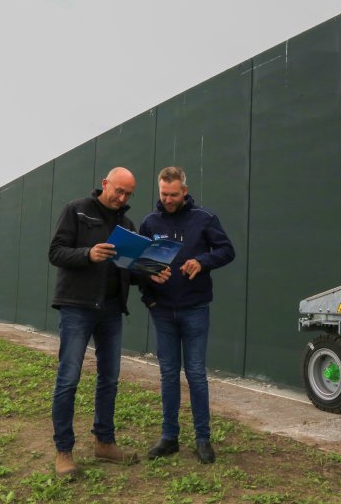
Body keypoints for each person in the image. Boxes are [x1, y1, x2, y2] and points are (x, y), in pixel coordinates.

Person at [48, 167, 170, 477]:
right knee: (68, 378)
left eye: (128, 193)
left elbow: (124, 271)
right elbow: (56, 252)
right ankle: (64, 451)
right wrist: (88, 254)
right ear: (105, 184)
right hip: (77, 307)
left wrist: (150, 272)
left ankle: (104, 442)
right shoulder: (77, 211)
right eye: (118, 190)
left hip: (112, 310)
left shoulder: (126, 225)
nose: (122, 197)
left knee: (109, 379)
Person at [139, 166, 235, 464]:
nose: (168, 199)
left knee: (195, 373)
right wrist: (149, 296)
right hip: (163, 311)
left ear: (185, 190)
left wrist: (202, 262)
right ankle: (169, 437)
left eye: (174, 194)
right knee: (168, 374)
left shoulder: (204, 219)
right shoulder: (149, 223)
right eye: (163, 194)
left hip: (195, 308)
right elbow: (139, 265)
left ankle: (202, 438)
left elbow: (226, 250)